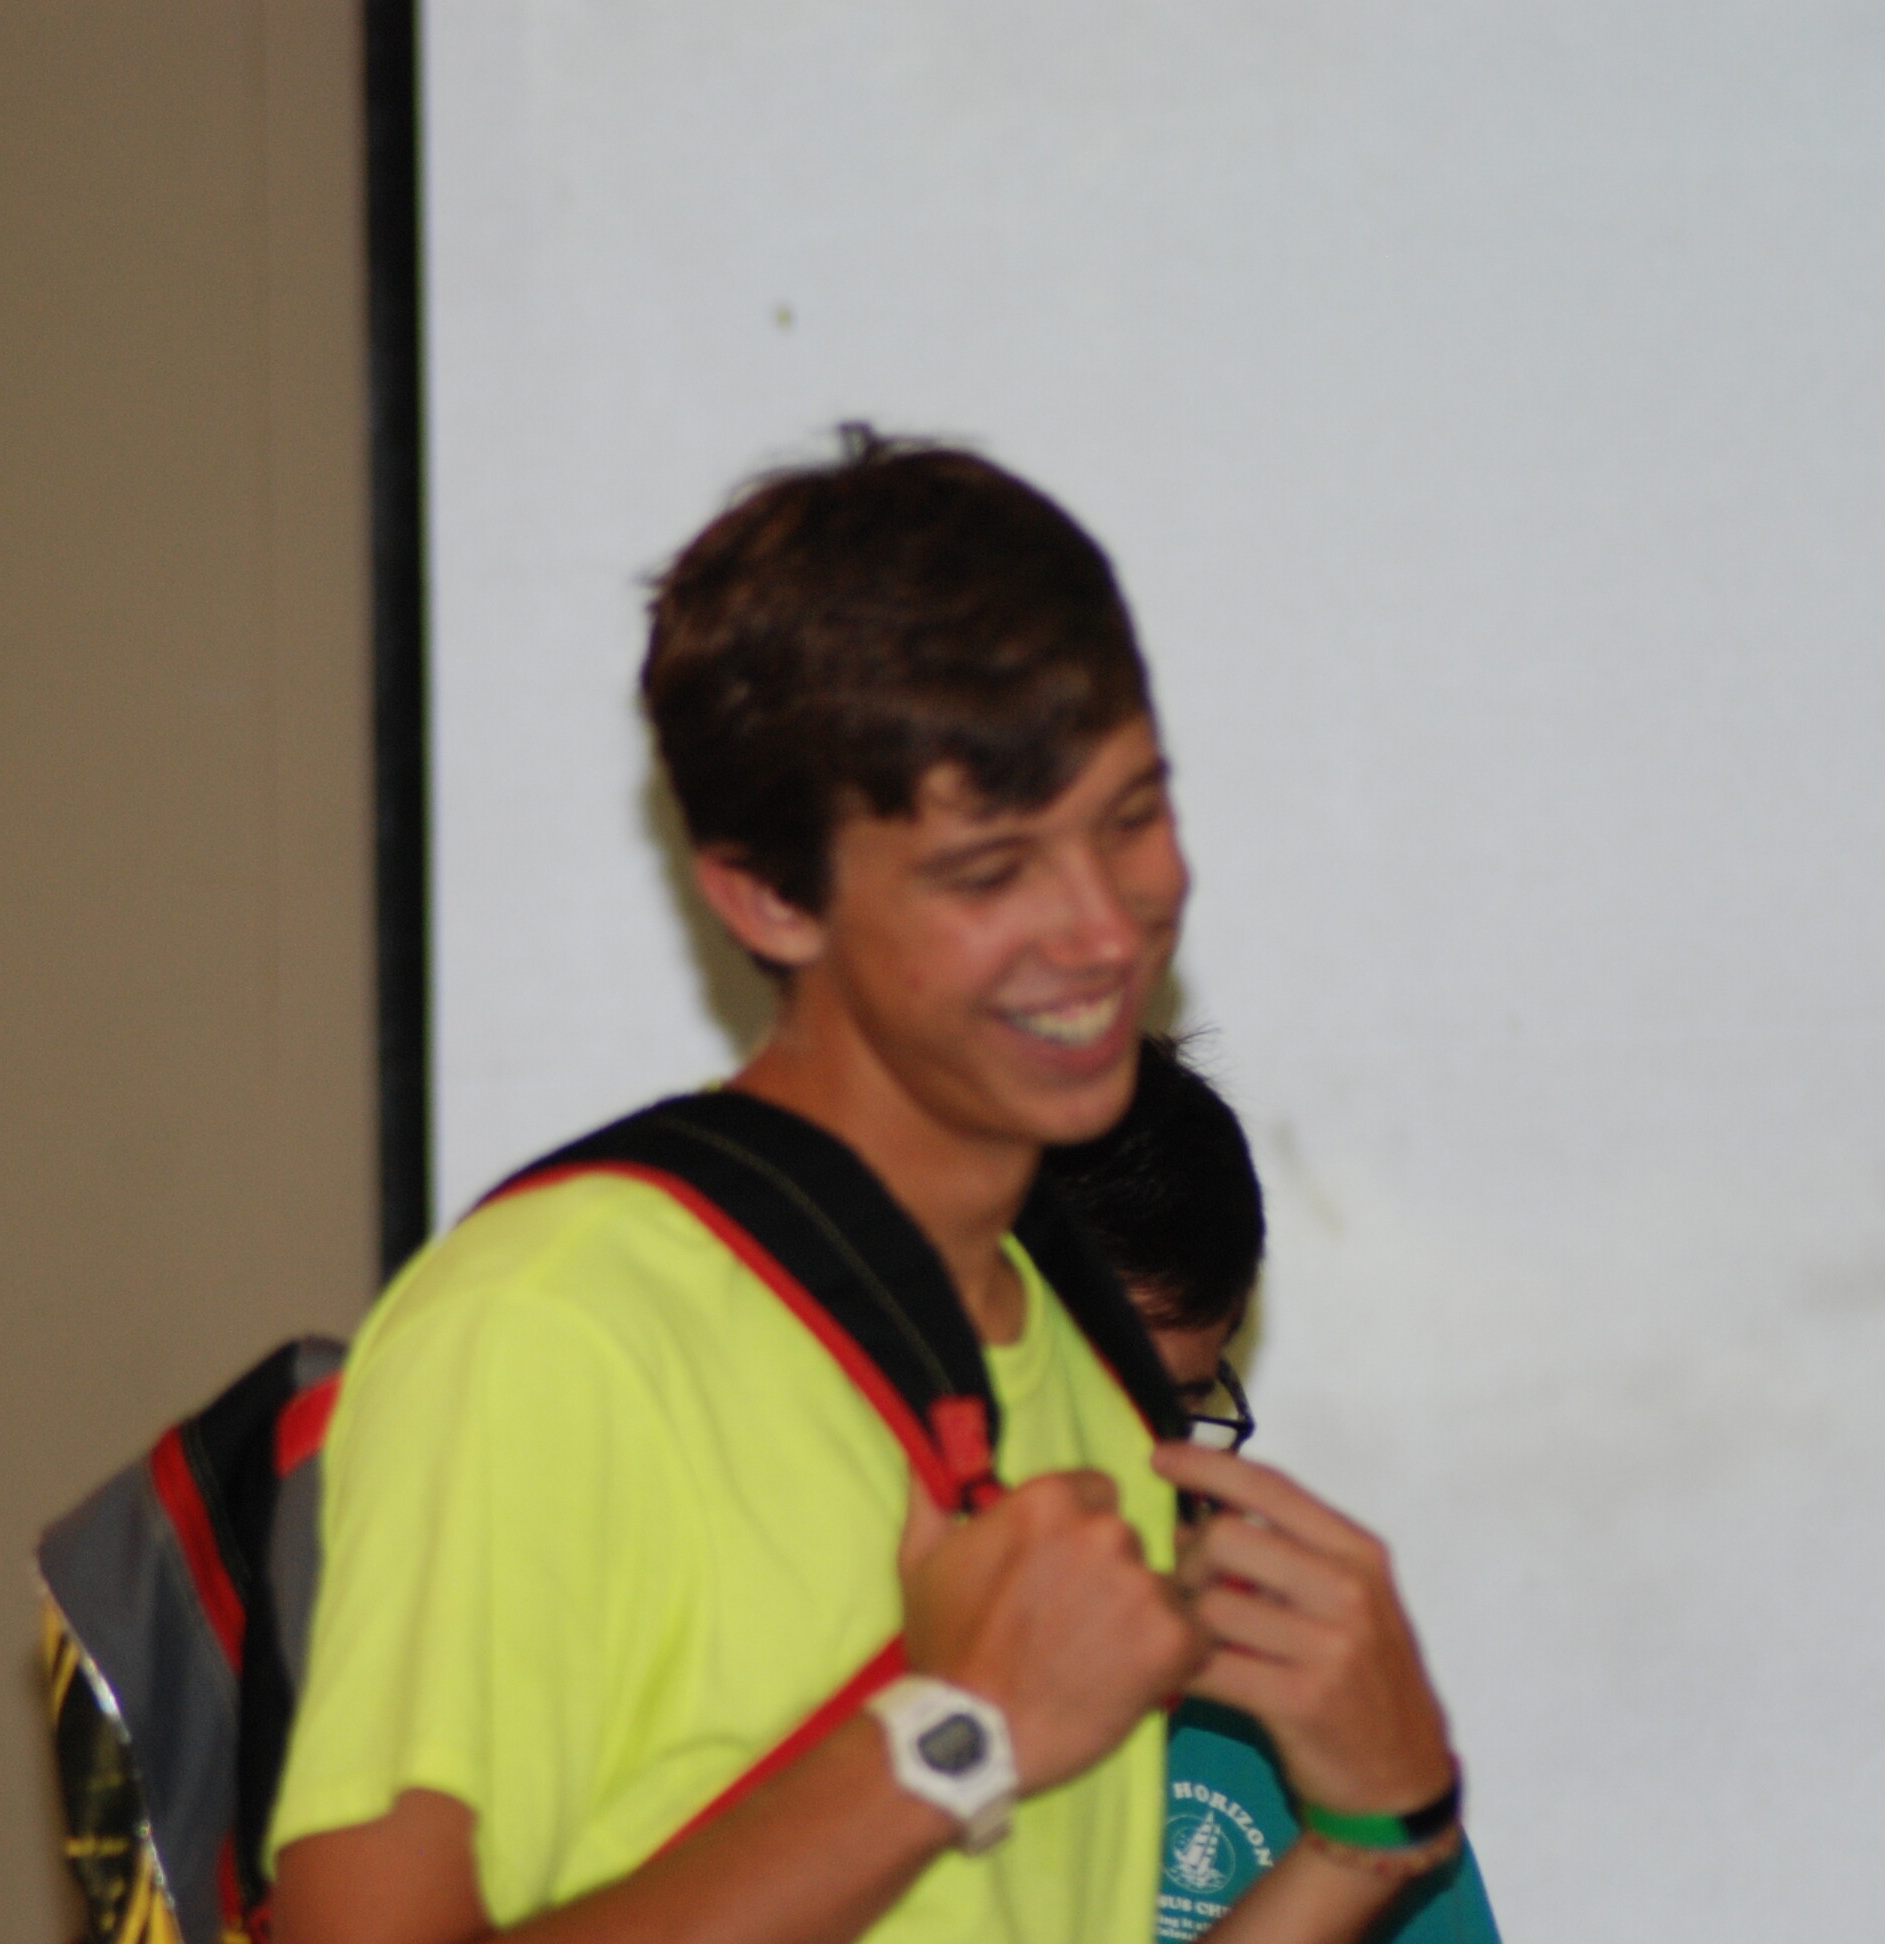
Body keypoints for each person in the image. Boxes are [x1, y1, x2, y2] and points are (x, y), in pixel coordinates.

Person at [269, 432, 1459, 1944]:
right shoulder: (555, 1328)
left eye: (1130, 818)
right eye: (990, 871)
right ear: (769, 895)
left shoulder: (1082, 1363)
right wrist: (954, 1738)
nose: (1103, 929)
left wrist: (1364, 1843)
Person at [1041, 1035, 1504, 1942]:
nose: (1123, 1490)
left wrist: (1366, 1835)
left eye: (1172, 1415)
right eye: (1073, 1407)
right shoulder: (798, 1688)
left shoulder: (1274, 1725)